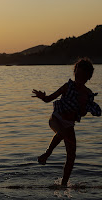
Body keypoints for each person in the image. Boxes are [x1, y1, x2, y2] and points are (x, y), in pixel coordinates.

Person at [32, 58, 101, 186]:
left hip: (69, 124)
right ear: (74, 72)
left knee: (71, 155)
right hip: (56, 119)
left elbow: (84, 112)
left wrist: (82, 106)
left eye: (83, 77)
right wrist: (43, 97)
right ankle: (46, 154)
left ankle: (63, 184)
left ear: (88, 78)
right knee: (62, 133)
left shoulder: (87, 94)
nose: (79, 79)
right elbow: (49, 99)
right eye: (77, 75)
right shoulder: (67, 86)